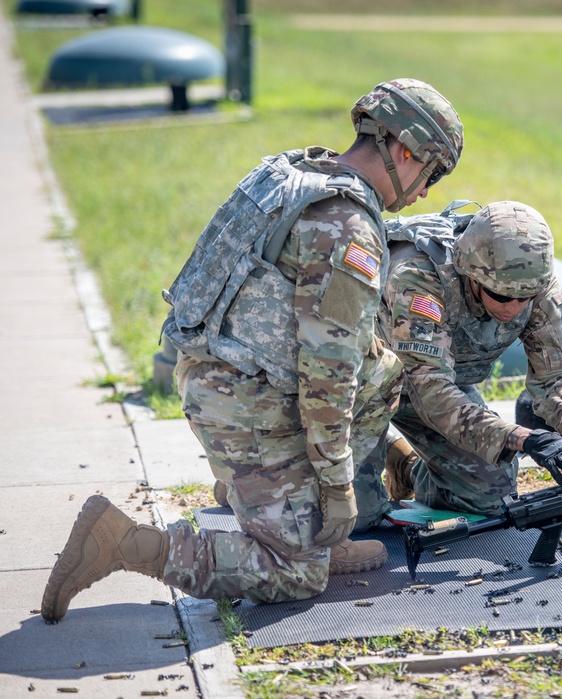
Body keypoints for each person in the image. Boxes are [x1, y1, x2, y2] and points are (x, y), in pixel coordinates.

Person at [40, 78, 464, 622]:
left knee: (381, 369)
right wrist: (337, 488)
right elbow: (327, 376)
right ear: (406, 151)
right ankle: (122, 541)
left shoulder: (296, 172)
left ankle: (300, 524)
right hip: (243, 403)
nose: (425, 192)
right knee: (294, 574)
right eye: (429, 174)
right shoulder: (347, 228)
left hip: (220, 374)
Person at [352, 200, 562, 525]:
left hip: (438, 382)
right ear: (471, 274)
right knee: (356, 521)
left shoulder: (535, 283)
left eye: (524, 299)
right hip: (360, 387)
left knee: (491, 493)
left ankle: (404, 465)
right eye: (501, 296)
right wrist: (522, 438)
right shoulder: (419, 280)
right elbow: (432, 393)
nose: (514, 308)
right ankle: (375, 446)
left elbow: (558, 377)